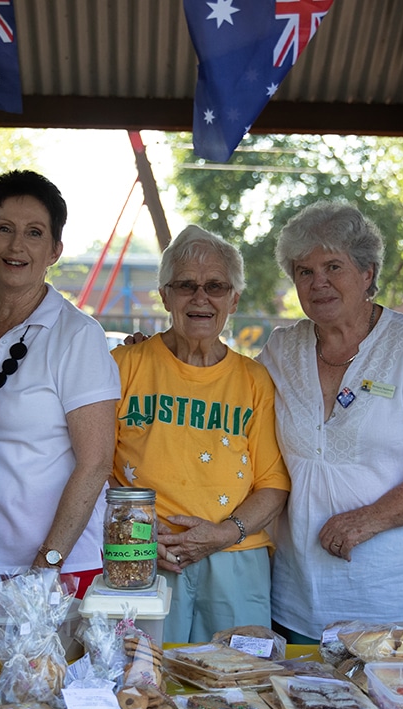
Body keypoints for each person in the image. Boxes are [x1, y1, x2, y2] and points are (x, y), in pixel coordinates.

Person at [259, 201, 403, 642]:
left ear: (367, 273)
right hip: (300, 600)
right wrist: (159, 352)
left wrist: (371, 518)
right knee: (309, 707)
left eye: (332, 266)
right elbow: (224, 390)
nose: (318, 282)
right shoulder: (281, 350)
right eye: (304, 271)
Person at [111, 225, 290, 642]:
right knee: (140, 680)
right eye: (186, 285)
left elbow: (273, 483)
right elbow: (94, 465)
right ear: (165, 294)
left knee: (237, 687)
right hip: (142, 548)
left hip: (235, 555)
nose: (200, 297)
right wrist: (133, 533)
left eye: (215, 286)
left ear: (234, 298)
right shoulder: (123, 365)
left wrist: (222, 534)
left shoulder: (254, 380)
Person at [0, 170, 119, 592]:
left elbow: (96, 461)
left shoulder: (77, 335)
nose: (16, 245)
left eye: (34, 233)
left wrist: (48, 563)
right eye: (4, 229)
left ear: (55, 250)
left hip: (61, 568)